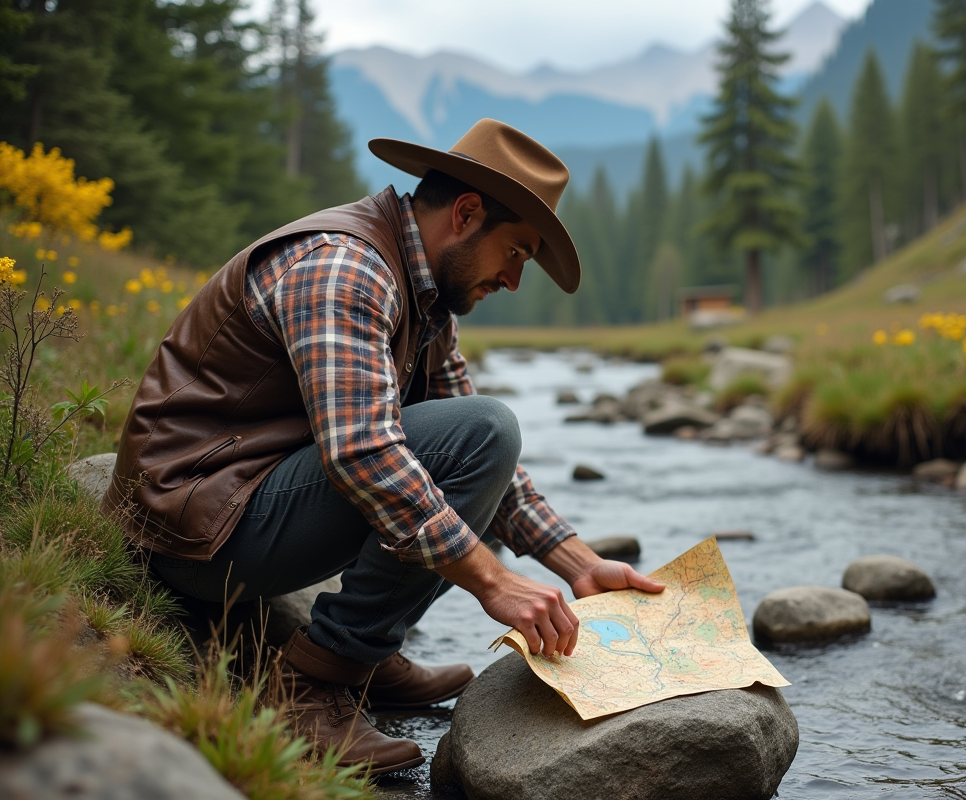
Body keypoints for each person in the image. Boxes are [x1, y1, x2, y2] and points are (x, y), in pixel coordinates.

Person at [102, 119, 665, 774]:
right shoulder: (347, 268)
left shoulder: (427, 299)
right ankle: (313, 685)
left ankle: (363, 655)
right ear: (465, 213)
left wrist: (575, 562)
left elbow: (480, 463)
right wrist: (494, 582)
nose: (515, 279)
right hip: (193, 530)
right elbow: (365, 452)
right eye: (516, 252)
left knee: (478, 435)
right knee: (484, 429)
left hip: (243, 500)